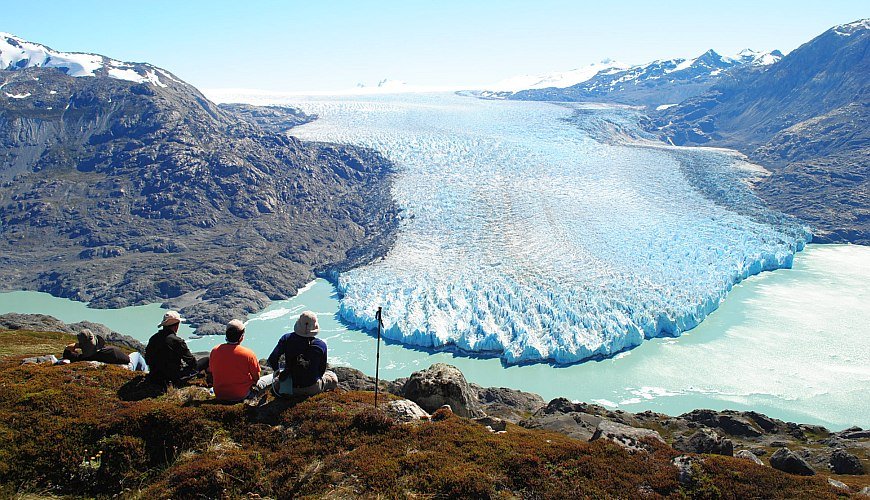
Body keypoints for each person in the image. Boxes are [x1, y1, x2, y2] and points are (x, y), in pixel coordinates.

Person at [262, 311, 338, 397]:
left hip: (289, 388)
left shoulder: (286, 339)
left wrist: (279, 373)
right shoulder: (321, 345)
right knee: (332, 376)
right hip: (312, 387)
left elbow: (272, 359)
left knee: (276, 381)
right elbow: (322, 369)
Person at [208, 319, 264, 402]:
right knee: (270, 379)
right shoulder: (248, 354)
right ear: (241, 337)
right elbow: (256, 378)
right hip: (241, 395)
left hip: (219, 394)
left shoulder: (215, 350)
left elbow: (212, 371)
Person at [144, 311, 205, 386]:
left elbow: (147, 360)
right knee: (206, 360)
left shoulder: (153, 338)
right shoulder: (177, 341)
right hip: (174, 378)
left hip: (155, 377)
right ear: (176, 326)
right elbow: (192, 363)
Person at [62, 328, 148, 371]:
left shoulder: (81, 358)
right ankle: (145, 373)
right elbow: (127, 359)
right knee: (137, 355)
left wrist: (72, 347)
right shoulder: (111, 352)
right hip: (125, 368)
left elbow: (67, 353)